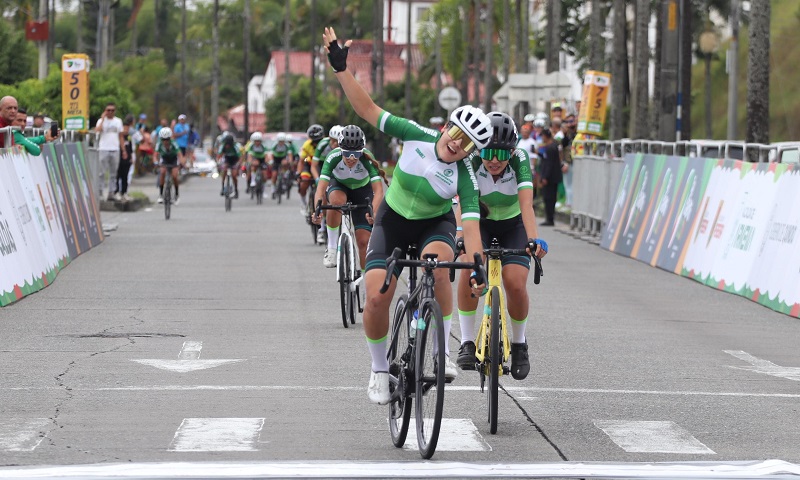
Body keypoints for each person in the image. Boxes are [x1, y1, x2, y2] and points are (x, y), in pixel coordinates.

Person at [323, 26, 490, 404]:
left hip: (434, 224)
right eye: (455, 132)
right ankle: (380, 370)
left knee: (440, 266)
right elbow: (366, 109)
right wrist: (340, 69)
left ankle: (441, 353)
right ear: (445, 126)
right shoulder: (414, 133)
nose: (456, 144)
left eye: (467, 144)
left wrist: (477, 266)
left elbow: (471, 224)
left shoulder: (465, 177)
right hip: (393, 220)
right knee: (378, 294)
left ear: (470, 153)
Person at [455, 112, 548, 380]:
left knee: (515, 283)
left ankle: (519, 344)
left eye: (502, 153)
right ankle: (466, 341)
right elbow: (463, 203)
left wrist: (533, 239)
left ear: (512, 150)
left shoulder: (520, 160)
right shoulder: (470, 159)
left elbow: (527, 205)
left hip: (512, 225)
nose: (494, 160)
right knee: (468, 269)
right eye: (488, 152)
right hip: (478, 223)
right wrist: (460, 234)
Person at [312, 125, 386, 269]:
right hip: (339, 185)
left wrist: (374, 211)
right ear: (340, 149)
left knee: (363, 241)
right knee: (336, 202)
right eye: (347, 153)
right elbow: (320, 189)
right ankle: (332, 248)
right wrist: (317, 210)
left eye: (356, 154)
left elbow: (378, 190)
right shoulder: (333, 156)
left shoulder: (367, 158)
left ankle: (366, 280)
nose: (352, 158)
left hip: (362, 190)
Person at [95, 103, 125, 200]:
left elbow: (121, 136)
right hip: (104, 148)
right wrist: (103, 119)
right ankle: (100, 192)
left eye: (112, 110)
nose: (110, 112)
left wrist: (123, 150)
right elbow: (97, 130)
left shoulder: (118, 121)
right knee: (101, 172)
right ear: (105, 110)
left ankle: (111, 193)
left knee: (113, 173)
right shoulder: (101, 121)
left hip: (115, 149)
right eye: (108, 110)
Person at [297, 124, 325, 215]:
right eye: (314, 141)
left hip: (322, 165)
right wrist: (298, 173)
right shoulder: (306, 145)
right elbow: (302, 161)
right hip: (308, 164)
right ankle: (303, 203)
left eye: (319, 141)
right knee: (304, 182)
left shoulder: (326, 144)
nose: (316, 143)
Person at [537, 128, 561, 226]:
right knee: (548, 198)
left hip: (550, 177)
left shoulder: (551, 148)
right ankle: (549, 218)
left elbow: (549, 164)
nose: (542, 138)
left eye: (542, 136)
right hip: (551, 176)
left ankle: (550, 219)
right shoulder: (551, 147)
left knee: (549, 198)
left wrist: (545, 177)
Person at [154, 127, 185, 204]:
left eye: (167, 139)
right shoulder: (159, 144)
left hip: (173, 159)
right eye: (163, 139)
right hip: (164, 159)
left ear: (170, 138)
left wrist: (181, 163)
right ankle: (161, 195)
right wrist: (155, 162)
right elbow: (155, 155)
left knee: (174, 175)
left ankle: (177, 194)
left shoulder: (174, 143)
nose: (165, 141)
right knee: (162, 172)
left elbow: (179, 154)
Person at [115, 115, 135, 201]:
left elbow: (130, 149)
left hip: (127, 160)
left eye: (127, 129)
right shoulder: (118, 138)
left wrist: (131, 158)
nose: (126, 131)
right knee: (118, 176)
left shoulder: (129, 137)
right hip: (119, 159)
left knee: (125, 177)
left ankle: (124, 192)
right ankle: (116, 192)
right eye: (124, 129)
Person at [217, 132, 242, 198]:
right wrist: (219, 163)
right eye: (226, 144)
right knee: (224, 171)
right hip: (227, 159)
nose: (227, 146)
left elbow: (240, 157)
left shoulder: (235, 147)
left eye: (228, 144)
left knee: (234, 175)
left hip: (234, 160)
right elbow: (219, 155)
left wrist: (239, 164)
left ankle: (236, 190)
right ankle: (222, 187)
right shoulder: (223, 146)